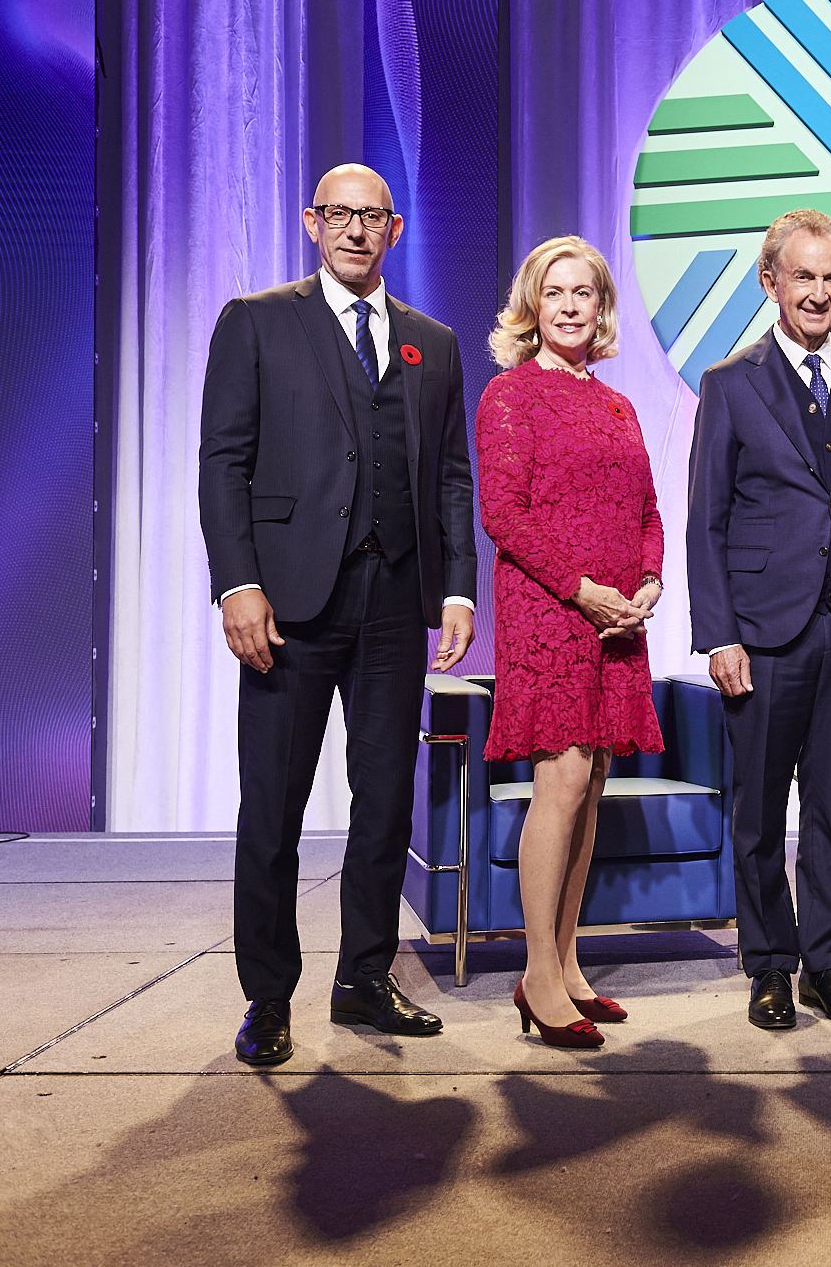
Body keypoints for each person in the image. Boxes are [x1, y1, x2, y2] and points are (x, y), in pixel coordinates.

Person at [199, 163, 478, 1066]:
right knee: (272, 808)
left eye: (374, 217)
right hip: (287, 605)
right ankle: (268, 995)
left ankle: (363, 977)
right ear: (313, 224)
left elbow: (449, 477)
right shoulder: (258, 320)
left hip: (396, 604)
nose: (357, 230)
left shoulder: (431, 342)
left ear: (396, 231)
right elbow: (223, 464)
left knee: (386, 806)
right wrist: (238, 584)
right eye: (341, 215)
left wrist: (458, 588)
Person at [686, 209, 831, 1030]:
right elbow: (705, 520)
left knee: (829, 803)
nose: (818, 293)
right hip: (760, 628)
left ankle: (827, 961)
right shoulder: (730, 382)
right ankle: (770, 966)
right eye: (803, 276)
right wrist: (718, 632)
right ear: (770, 281)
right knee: (757, 811)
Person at [475, 236, 663, 1050]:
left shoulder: (619, 404)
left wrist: (649, 585)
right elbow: (503, 514)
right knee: (565, 781)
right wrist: (584, 591)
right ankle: (538, 977)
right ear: (531, 304)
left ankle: (570, 962)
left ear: (602, 306)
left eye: (584, 292)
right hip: (551, 612)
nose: (571, 305)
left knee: (593, 788)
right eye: (555, 292)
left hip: (619, 620)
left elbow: (649, 511)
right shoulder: (509, 396)